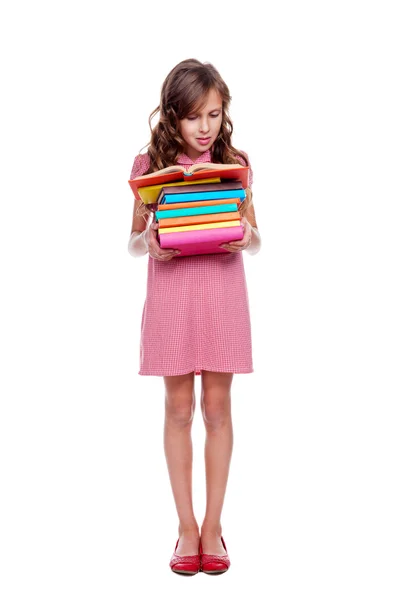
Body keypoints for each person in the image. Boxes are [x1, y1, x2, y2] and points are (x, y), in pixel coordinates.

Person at [127, 58, 261, 575]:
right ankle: (186, 527)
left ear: (223, 113)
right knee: (179, 411)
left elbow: (257, 236)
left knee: (220, 410)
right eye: (191, 118)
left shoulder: (237, 162)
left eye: (212, 114)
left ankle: (213, 527)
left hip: (223, 297)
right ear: (173, 118)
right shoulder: (148, 168)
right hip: (171, 298)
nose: (204, 128)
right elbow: (133, 243)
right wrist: (150, 242)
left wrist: (248, 237)